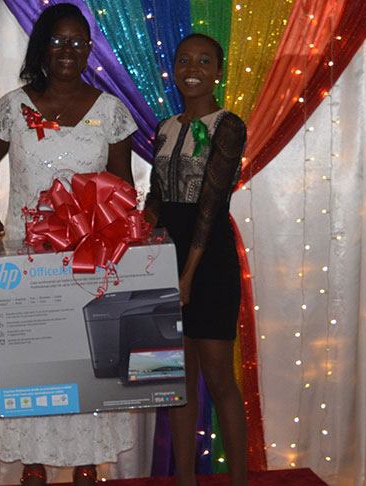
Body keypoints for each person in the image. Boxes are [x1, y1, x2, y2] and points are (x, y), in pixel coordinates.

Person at [0, 4, 136, 486]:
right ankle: (33, 465)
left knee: (87, 361)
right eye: (59, 41)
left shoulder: (111, 110)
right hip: (27, 260)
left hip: (88, 260)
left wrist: (128, 238)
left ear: (89, 49)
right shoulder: (12, 106)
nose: (69, 50)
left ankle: (86, 462)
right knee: (33, 363)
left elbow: (122, 189)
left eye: (78, 42)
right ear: (43, 45)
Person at [144, 33, 248, 486]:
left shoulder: (229, 125)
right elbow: (156, 198)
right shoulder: (165, 127)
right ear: (174, 68)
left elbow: (209, 205)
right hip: (168, 260)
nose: (193, 68)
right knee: (177, 384)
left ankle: (241, 481)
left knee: (220, 380)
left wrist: (186, 276)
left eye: (205, 60)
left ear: (219, 70)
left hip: (209, 264)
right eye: (185, 59)